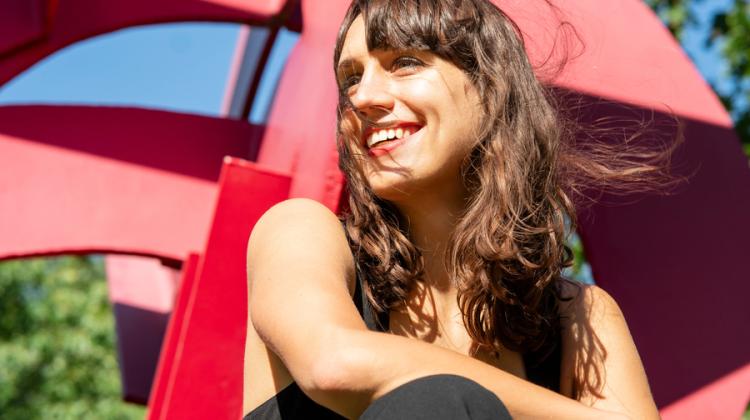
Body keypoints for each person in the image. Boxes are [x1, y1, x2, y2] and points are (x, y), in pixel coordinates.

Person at [243, 0, 668, 418]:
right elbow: (334, 364)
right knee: (438, 402)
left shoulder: (578, 316)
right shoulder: (299, 232)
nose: (363, 97)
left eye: (405, 61)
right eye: (351, 78)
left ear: (491, 90)